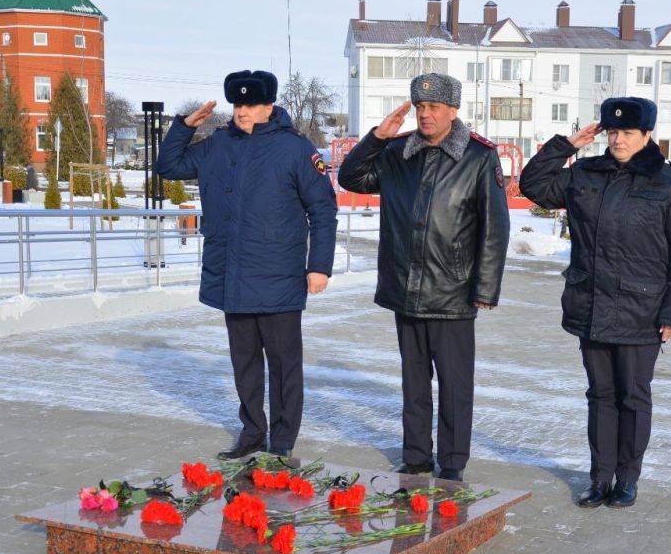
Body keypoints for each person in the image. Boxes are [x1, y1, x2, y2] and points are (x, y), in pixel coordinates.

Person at [520, 97, 671, 508]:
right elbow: (533, 185)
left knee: (633, 396)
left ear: (647, 135)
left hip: (643, 312)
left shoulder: (669, 182)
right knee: (600, 395)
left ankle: (627, 479)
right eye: (613, 132)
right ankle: (600, 478)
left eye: (628, 133)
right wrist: (566, 146)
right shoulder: (586, 172)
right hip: (592, 305)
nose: (618, 140)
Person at [155, 70, 337, 460]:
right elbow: (168, 167)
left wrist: (319, 265)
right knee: (245, 363)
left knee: (285, 366)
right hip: (232, 274)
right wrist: (184, 127)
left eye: (250, 104)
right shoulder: (219, 145)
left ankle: (283, 440)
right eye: (237, 104)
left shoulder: (294, 149)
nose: (242, 111)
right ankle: (252, 432)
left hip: (279, 275)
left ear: (269, 106)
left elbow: (323, 209)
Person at [338, 73, 510, 482]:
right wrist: (377, 138)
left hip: (452, 290)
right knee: (413, 382)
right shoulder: (398, 153)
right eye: (420, 107)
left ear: (453, 110)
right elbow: (350, 179)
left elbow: (495, 227)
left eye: (434, 107)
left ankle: (451, 464)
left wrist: (485, 287)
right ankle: (416, 457)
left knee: (454, 386)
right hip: (405, 288)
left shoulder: (478, 157)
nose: (426, 114)